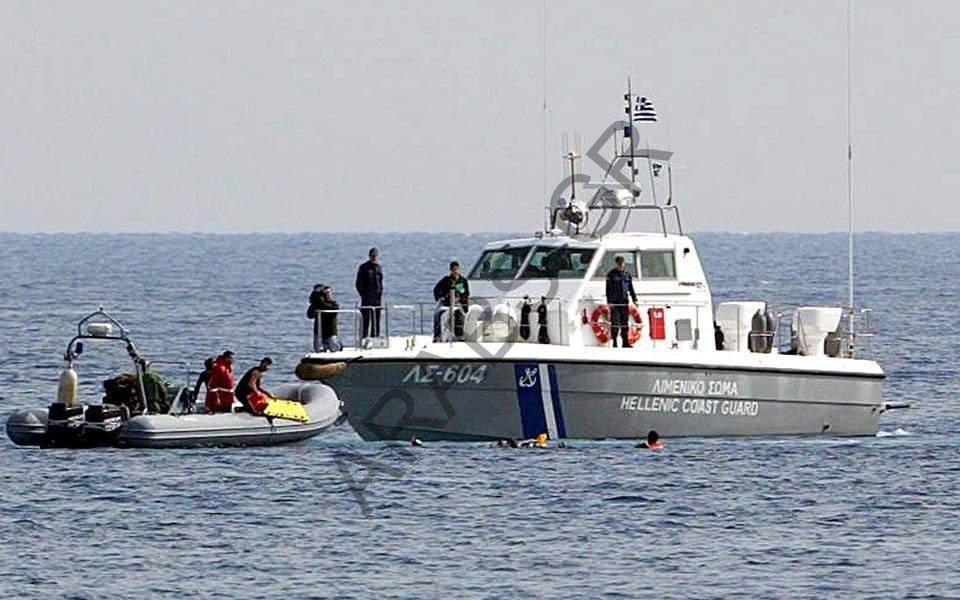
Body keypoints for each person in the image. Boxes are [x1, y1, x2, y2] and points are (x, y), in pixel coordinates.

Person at [605, 255, 638, 348]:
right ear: (616, 264)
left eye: (622, 264)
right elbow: (608, 289)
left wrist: (634, 299)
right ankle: (615, 342)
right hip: (615, 302)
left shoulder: (627, 275)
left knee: (625, 323)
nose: (621, 265)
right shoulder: (611, 275)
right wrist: (609, 301)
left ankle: (625, 342)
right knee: (615, 323)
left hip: (624, 302)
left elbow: (630, 288)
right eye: (619, 264)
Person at [432, 261, 470, 342]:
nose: (455, 271)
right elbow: (436, 289)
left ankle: (459, 335)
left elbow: (466, 293)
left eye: (456, 269)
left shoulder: (463, 281)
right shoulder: (446, 280)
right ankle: (437, 335)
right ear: (451, 270)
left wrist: (461, 299)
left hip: (457, 303)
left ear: (459, 269)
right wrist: (440, 297)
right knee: (437, 314)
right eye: (453, 270)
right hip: (445, 303)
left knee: (460, 315)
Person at [355, 247, 384, 339]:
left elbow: (380, 281)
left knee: (376, 319)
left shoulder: (378, 267)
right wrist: (363, 294)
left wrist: (380, 292)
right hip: (367, 297)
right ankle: (364, 337)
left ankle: (375, 337)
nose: (374, 257)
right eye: (372, 256)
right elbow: (358, 284)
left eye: (375, 256)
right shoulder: (363, 268)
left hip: (377, 298)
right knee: (366, 319)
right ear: (369, 256)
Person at [316, 285, 343, 352]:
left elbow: (334, 309)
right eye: (325, 293)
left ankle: (339, 344)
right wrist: (315, 302)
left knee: (334, 348)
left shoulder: (334, 304)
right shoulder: (317, 304)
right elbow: (309, 315)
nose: (327, 294)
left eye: (328, 292)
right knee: (318, 350)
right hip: (319, 332)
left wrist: (322, 303)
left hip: (331, 332)